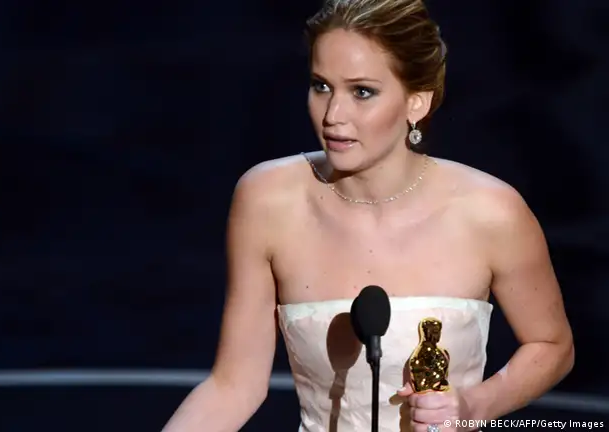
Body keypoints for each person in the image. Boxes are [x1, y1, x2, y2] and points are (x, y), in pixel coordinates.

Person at [162, 0, 574, 431]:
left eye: (362, 92)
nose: (333, 116)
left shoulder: (490, 211)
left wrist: (476, 404)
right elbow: (234, 386)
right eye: (322, 86)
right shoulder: (268, 200)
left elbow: (551, 344)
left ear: (417, 102)